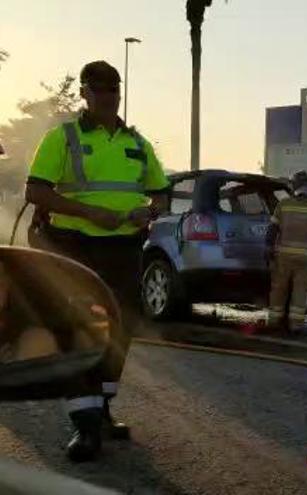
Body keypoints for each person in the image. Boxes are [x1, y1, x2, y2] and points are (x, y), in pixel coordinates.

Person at [24, 60, 170, 462]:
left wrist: (151, 210)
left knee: (119, 329)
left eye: (113, 89)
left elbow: (160, 193)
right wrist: (90, 213)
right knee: (80, 328)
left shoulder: (137, 143)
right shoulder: (63, 137)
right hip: (74, 245)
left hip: (124, 247)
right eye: (99, 88)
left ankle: (102, 410)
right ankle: (84, 426)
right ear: (85, 93)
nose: (108, 96)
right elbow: (36, 191)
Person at [266, 171, 307, 333]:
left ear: (294, 187)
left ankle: (274, 320)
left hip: (284, 257)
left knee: (279, 289)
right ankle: (296, 325)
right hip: (306, 259)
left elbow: (272, 231)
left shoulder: (283, 205)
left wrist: (268, 250)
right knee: (300, 291)